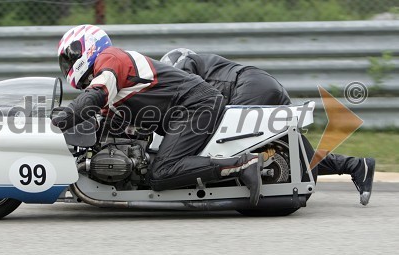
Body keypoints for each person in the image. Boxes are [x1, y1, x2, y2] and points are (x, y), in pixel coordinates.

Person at [51, 25, 271, 206]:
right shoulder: (110, 79)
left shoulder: (111, 58)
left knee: (161, 173)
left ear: (87, 46)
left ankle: (243, 164)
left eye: (69, 58)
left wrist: (54, 126)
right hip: (183, 110)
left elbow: (93, 97)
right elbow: (107, 123)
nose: (68, 66)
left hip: (195, 104)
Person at [160, 48, 376, 205]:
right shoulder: (201, 63)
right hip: (262, 84)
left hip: (249, 87)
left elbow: (195, 102)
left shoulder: (184, 65)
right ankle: (356, 166)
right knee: (290, 151)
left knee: (222, 143)